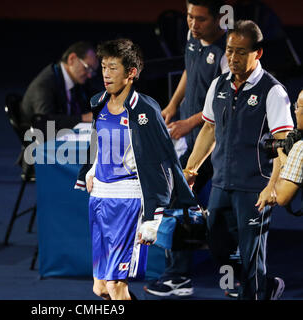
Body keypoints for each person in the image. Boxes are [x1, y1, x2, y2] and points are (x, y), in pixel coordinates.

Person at [74, 38, 199, 300]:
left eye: (113, 68)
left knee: (116, 287)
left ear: (131, 73)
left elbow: (163, 164)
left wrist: (154, 217)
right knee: (100, 288)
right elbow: (99, 141)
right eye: (104, 67)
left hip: (128, 203)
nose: (106, 74)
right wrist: (91, 168)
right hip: (99, 200)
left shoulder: (145, 111)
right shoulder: (99, 103)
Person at [183, 20, 294, 300]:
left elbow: (283, 145)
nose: (232, 57)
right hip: (221, 183)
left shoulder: (273, 91)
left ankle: (255, 291)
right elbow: (209, 129)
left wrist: (273, 186)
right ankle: (263, 287)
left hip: (255, 187)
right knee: (218, 244)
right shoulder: (218, 85)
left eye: (241, 52)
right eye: (230, 51)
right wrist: (191, 167)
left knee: (251, 253)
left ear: (258, 53)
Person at [145, 0, 229, 298]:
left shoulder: (229, 53)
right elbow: (188, 70)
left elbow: (223, 108)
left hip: (217, 144)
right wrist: (172, 104)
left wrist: (188, 124)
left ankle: (178, 275)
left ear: (221, 18)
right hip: (193, 140)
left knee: (180, 199)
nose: (193, 24)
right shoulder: (194, 37)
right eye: (189, 17)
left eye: (201, 19)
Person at [21, 41, 99, 132]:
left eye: (92, 71)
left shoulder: (78, 81)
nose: (89, 75)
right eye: (87, 67)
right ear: (72, 59)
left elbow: (95, 98)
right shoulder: (44, 84)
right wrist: (84, 118)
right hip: (42, 141)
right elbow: (44, 121)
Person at [276, 90, 303, 206]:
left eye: (297, 106)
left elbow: (282, 198)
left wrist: (283, 161)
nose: (295, 111)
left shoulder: (300, 148)